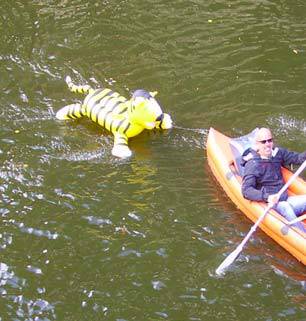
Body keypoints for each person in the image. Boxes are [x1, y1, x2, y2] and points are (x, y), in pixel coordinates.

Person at [241, 127, 306, 233]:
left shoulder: (277, 153)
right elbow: (246, 190)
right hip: (271, 203)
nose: (267, 144)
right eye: (263, 142)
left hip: (285, 199)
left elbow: (298, 159)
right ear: (257, 144)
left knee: (287, 204)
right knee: (285, 207)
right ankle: (303, 235)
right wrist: (268, 197)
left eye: (270, 140)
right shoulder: (253, 164)